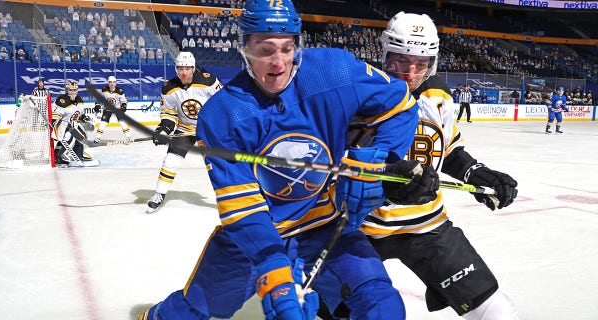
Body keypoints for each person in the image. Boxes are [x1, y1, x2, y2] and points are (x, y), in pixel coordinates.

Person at [137, 1, 437, 319]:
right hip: (260, 234)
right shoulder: (223, 115)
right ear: (244, 49)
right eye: (266, 50)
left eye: (287, 48)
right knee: (195, 310)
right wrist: (275, 271)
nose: (279, 62)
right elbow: (244, 209)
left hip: (326, 222)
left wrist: (381, 162)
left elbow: (401, 104)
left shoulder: (332, 70)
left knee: (383, 305)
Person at [318, 11, 520, 320]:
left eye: (421, 64)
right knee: (345, 312)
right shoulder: (355, 91)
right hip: (359, 226)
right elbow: (328, 160)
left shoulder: (437, 96)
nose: (410, 73)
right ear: (383, 55)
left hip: (426, 225)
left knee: (497, 311)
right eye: (400, 61)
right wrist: (379, 178)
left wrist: (476, 172)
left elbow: (445, 148)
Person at [146, 51, 223, 213]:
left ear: (193, 68)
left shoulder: (207, 81)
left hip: (209, 129)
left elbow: (223, 102)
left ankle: (229, 197)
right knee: (171, 160)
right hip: (185, 129)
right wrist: (164, 129)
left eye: (187, 68)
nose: (183, 72)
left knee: (219, 163)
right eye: (180, 68)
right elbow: (168, 113)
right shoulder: (169, 88)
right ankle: (159, 193)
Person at [53, 81, 98, 167]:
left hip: (71, 124)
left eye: (74, 90)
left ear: (77, 90)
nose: (72, 92)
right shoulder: (62, 100)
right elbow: (54, 114)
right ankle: (61, 155)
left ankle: (78, 155)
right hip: (60, 124)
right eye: (70, 90)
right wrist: (59, 119)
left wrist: (84, 117)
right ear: (67, 90)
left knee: (82, 134)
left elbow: (78, 115)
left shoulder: (80, 101)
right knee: (70, 135)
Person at [93, 76, 131, 143]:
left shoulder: (119, 91)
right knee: (102, 123)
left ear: (115, 83)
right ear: (108, 83)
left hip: (117, 109)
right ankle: (97, 138)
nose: (112, 84)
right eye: (110, 82)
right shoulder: (104, 89)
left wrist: (123, 106)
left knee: (122, 122)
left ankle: (128, 137)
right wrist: (97, 105)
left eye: (113, 82)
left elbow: (123, 100)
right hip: (108, 109)